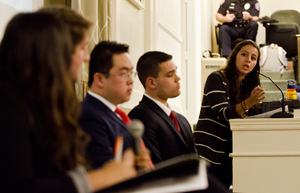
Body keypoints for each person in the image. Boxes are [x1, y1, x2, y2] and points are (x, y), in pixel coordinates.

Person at [0, 12, 137, 193]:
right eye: (82, 48)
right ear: (54, 52)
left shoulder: (46, 103)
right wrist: (102, 177)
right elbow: (18, 187)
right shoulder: (7, 102)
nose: (87, 57)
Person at [194, 40, 265, 188]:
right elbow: (223, 113)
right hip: (210, 150)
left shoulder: (247, 86)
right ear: (234, 56)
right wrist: (248, 103)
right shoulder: (216, 78)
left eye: (253, 58)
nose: (248, 60)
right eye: (244, 54)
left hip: (231, 150)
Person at [78, 41, 153, 171]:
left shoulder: (114, 114)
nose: (131, 81)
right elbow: (104, 171)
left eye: (131, 73)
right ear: (100, 79)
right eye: (124, 74)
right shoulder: (88, 115)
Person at [128, 51, 197, 164]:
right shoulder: (140, 116)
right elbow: (154, 166)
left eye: (176, 72)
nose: (178, 78)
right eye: (170, 75)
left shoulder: (181, 120)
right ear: (151, 83)